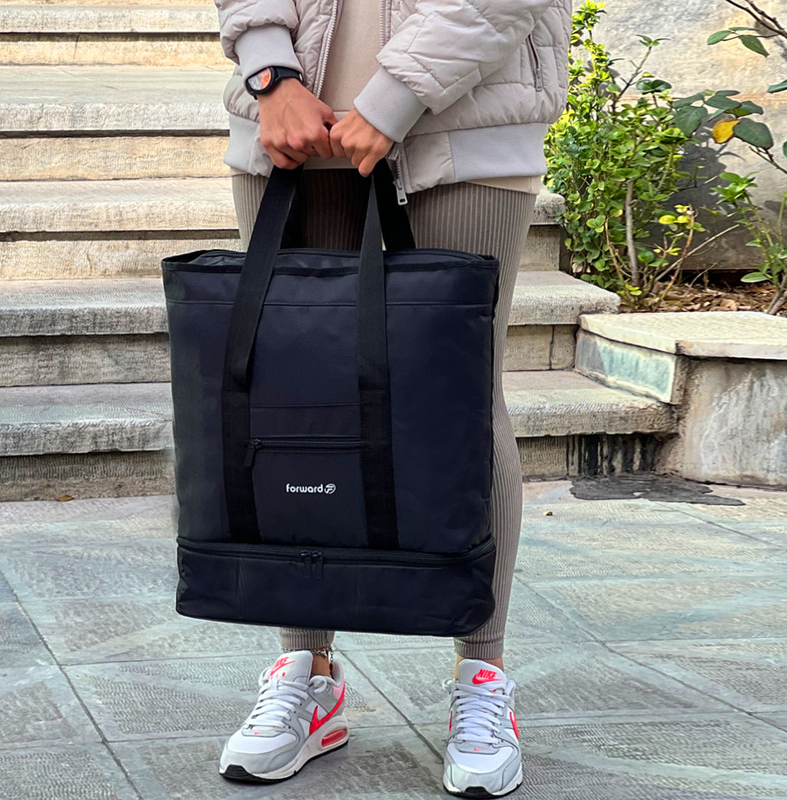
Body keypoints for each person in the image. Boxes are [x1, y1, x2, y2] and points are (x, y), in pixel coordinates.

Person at [211, 0, 571, 795]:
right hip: (287, 124)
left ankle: (482, 677)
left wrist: (393, 96)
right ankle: (306, 676)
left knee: (462, 401)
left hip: (465, 119)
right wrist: (270, 74)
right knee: (294, 405)